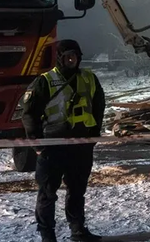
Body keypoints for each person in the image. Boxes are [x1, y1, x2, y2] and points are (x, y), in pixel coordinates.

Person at [21, 39, 105, 242]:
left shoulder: (89, 78)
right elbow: (29, 114)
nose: (71, 60)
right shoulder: (45, 81)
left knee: (77, 191)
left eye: (75, 56)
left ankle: (78, 231)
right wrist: (37, 143)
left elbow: (99, 106)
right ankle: (47, 235)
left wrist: (92, 136)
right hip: (53, 145)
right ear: (59, 58)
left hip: (81, 146)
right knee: (48, 193)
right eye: (67, 56)